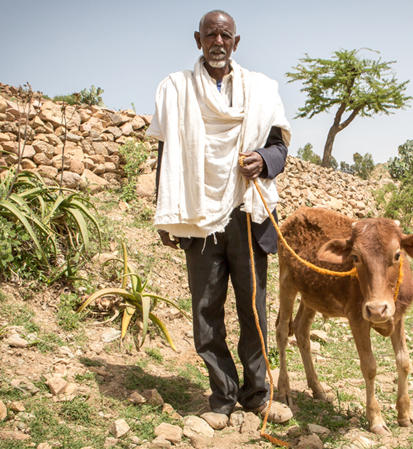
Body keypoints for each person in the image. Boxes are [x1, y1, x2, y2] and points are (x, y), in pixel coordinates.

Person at [145, 10, 293, 425]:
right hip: (197, 214)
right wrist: (167, 215)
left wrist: (263, 160)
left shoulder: (262, 90)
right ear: (197, 39)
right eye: (210, 34)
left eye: (225, 35)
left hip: (247, 215)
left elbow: (280, 148)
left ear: (236, 42)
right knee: (206, 310)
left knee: (253, 309)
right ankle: (222, 396)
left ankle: (258, 395)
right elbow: (166, 154)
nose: (217, 41)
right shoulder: (176, 90)